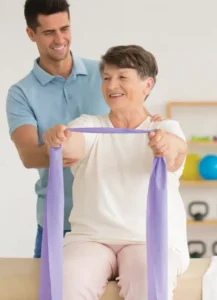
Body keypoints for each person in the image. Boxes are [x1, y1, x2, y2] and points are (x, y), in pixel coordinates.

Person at [6, 0, 163, 258]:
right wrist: (64, 147)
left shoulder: (104, 74)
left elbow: (135, 115)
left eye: (64, 29)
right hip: (58, 219)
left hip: (114, 221)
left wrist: (155, 124)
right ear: (31, 34)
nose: (60, 39)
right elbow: (29, 155)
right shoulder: (21, 94)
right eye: (48, 32)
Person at [43, 45, 190, 300]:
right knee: (67, 279)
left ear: (147, 85)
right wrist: (58, 138)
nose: (112, 86)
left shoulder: (165, 127)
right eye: (107, 78)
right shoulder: (88, 124)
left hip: (149, 240)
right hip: (91, 239)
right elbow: (71, 146)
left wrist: (164, 145)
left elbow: (176, 152)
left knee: (149, 280)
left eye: (122, 77)